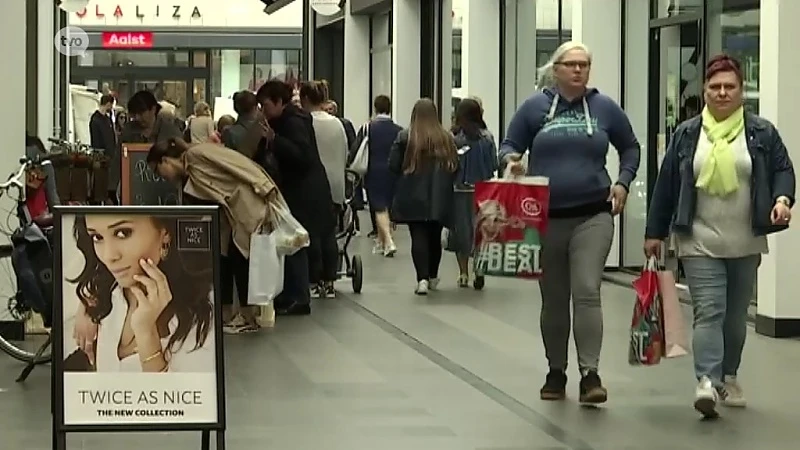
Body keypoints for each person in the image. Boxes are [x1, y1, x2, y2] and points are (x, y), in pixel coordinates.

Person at [644, 54, 795, 418]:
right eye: (715, 87)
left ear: (742, 92)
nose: (723, 93)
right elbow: (666, 186)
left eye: (730, 87)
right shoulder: (687, 133)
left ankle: (729, 374)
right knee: (709, 312)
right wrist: (654, 231)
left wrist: (783, 199)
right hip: (698, 239)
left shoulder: (761, 132)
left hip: (745, 239)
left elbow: (782, 170)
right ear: (705, 91)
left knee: (735, 317)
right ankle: (707, 383)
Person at [499, 41, 641, 405]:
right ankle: (556, 370)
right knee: (554, 298)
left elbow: (630, 146)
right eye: (572, 64)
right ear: (556, 68)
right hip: (544, 217)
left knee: (587, 290)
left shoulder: (604, 107)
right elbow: (508, 145)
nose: (579, 70)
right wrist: (511, 162)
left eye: (585, 65)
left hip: (593, 214)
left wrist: (623, 181)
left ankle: (590, 374)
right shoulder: (534, 107)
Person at [65, 214, 214, 372]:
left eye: (123, 233)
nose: (108, 256)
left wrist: (147, 334)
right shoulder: (102, 293)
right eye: (97, 237)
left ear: (165, 234)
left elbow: (183, 396)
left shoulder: (200, 316)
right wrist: (87, 305)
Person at [256, 80, 334, 312]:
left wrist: (274, 140)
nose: (263, 111)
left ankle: (298, 297)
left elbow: (302, 156)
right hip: (303, 189)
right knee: (295, 241)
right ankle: (294, 294)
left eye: (266, 105)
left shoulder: (292, 123)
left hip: (303, 192)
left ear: (279, 102)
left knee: (295, 242)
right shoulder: (288, 120)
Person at [388, 98, 458, 295]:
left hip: (412, 194)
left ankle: (422, 279)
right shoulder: (445, 137)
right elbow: (455, 166)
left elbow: (392, 165)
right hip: (439, 195)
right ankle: (433, 276)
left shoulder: (405, 137)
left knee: (417, 236)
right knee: (434, 237)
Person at [299, 80, 346, 298]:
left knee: (312, 235)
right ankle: (330, 279)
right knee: (330, 234)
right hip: (336, 185)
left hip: (311, 186)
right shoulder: (337, 123)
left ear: (306, 99)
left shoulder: (306, 122)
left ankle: (315, 279)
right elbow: (344, 153)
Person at [448, 98, 497, 289]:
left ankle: (463, 273)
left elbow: (449, 166)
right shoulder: (487, 137)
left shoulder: (454, 138)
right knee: (481, 231)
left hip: (459, 190)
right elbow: (493, 165)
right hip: (484, 191)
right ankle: (480, 270)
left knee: (462, 232)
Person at [350, 95, 403, 256]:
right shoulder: (399, 130)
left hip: (374, 172)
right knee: (386, 206)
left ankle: (388, 241)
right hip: (393, 173)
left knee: (379, 208)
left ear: (375, 108)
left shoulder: (368, 128)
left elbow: (355, 150)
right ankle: (381, 242)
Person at [90, 94, 120, 204]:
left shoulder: (107, 119)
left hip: (109, 157)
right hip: (101, 157)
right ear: (108, 104)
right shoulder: (96, 120)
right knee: (100, 184)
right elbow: (96, 140)